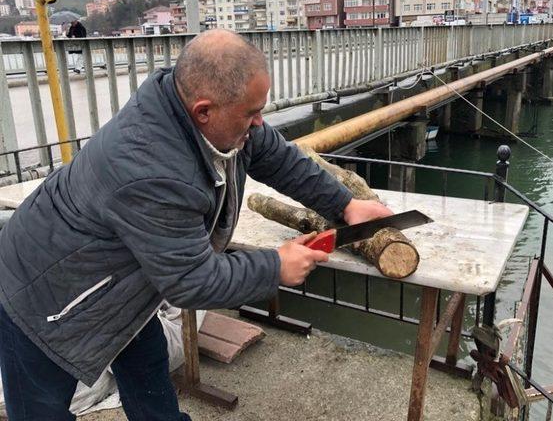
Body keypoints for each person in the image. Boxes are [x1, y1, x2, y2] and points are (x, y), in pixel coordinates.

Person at [0, 29, 393, 421]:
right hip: (41, 293)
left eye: (261, 109)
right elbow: (192, 280)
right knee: (41, 411)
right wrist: (275, 266)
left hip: (120, 278)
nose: (259, 123)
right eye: (251, 113)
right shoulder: (149, 168)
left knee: (146, 366)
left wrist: (346, 204)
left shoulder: (210, 113)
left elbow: (276, 156)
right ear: (204, 110)